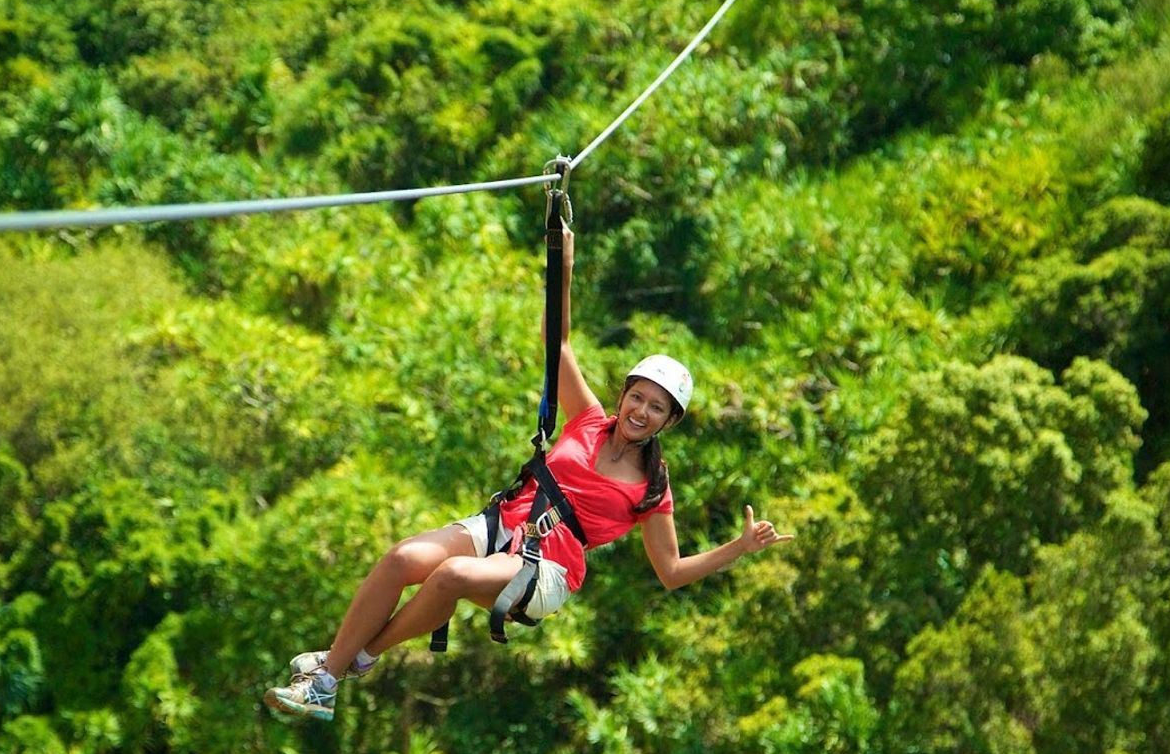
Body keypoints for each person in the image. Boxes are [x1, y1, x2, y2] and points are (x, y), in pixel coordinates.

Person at [265, 226, 793, 721]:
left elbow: (671, 572)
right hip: (504, 526)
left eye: (657, 407)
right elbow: (555, 344)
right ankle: (333, 669)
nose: (641, 411)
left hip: (548, 572)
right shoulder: (587, 420)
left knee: (449, 576)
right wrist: (562, 262)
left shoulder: (652, 489)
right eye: (638, 397)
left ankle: (341, 669)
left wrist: (738, 548)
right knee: (404, 557)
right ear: (623, 395)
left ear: (669, 421)